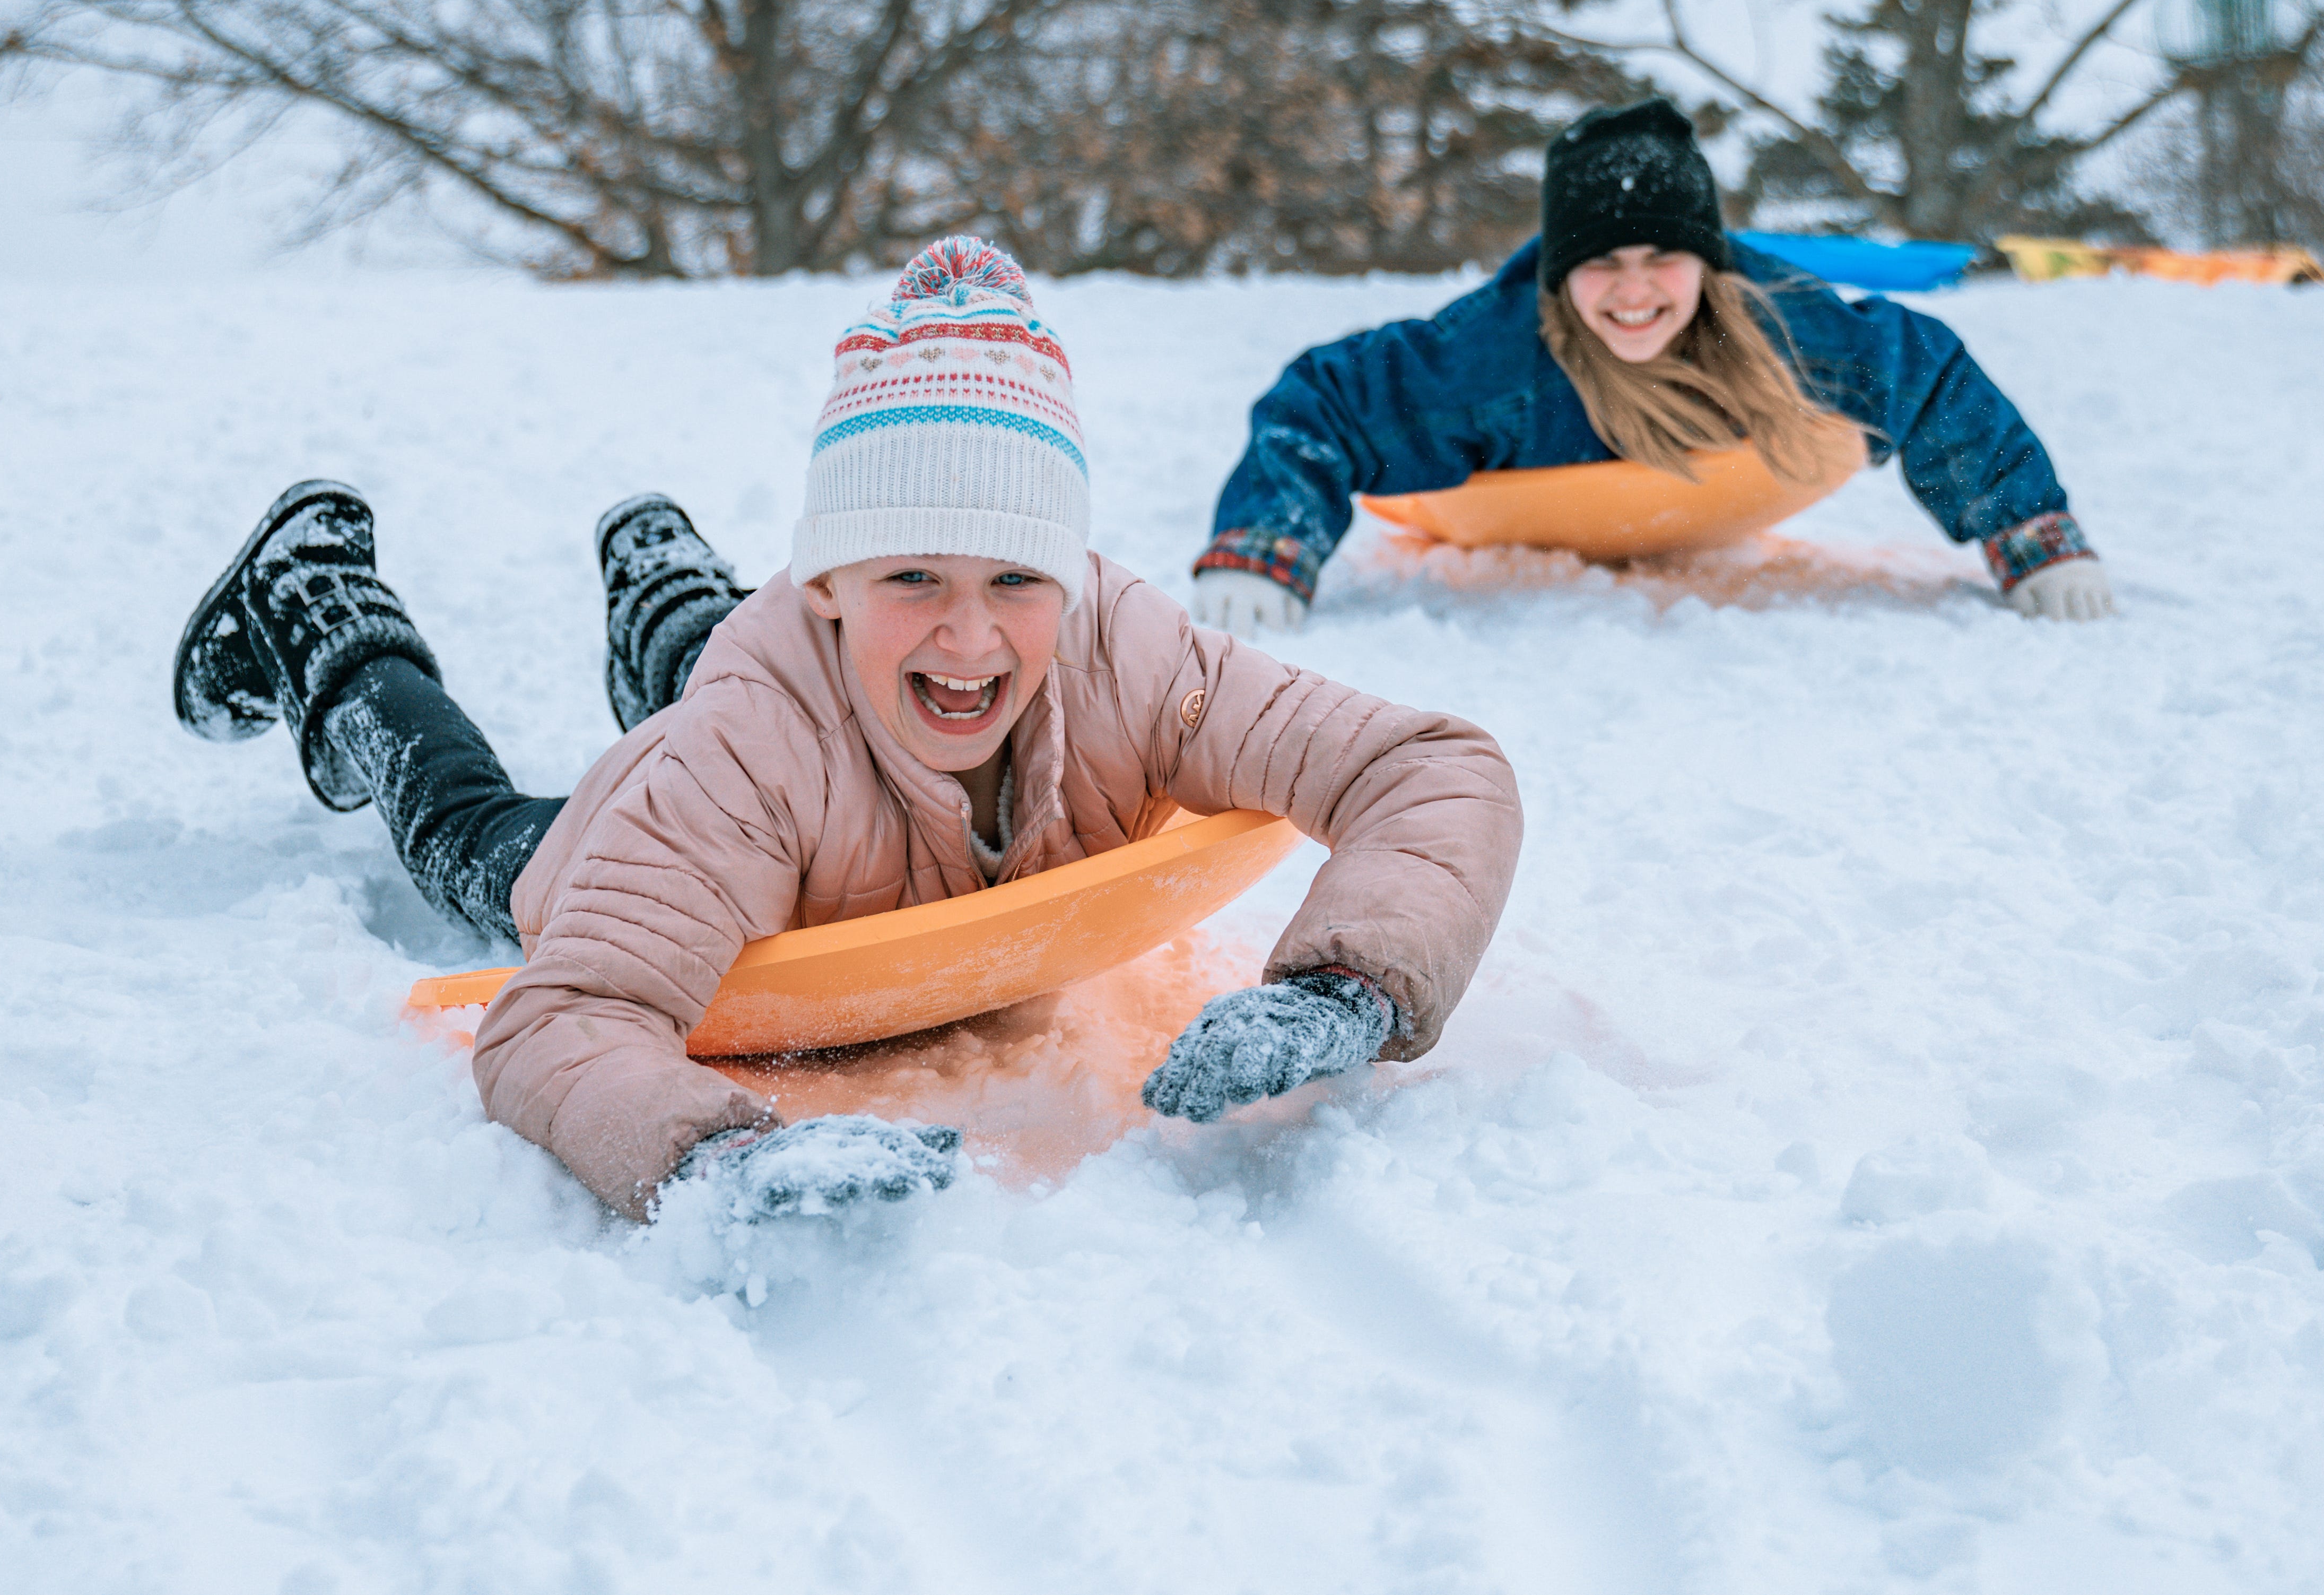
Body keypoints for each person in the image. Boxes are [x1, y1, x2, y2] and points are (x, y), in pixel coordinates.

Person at [171, 237, 1524, 1223]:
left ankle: (663, 582)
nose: (972, 635)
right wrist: (711, 1153)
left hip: (792, 736)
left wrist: (1348, 985)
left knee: (824, 681)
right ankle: (320, 618)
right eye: (914, 574)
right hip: (648, 836)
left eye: (1015, 578)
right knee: (472, 819)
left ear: (1069, 576)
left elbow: (1425, 766)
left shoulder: (1129, 650)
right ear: (824, 580)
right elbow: (563, 1020)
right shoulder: (744, 747)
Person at [1190, 98, 2117, 636]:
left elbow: (1928, 375)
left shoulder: (1789, 330)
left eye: (1662, 257)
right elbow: (1324, 401)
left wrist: (2030, 533)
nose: (1632, 290)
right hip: (1521, 467)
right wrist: (1265, 548)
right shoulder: (1497, 357)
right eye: (1600, 262)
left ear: (1706, 263)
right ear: (1561, 274)